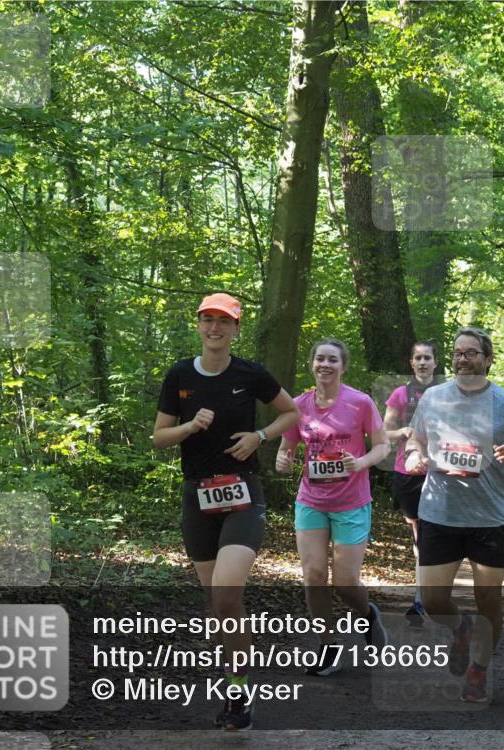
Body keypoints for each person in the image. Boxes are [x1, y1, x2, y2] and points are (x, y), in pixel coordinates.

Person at [153, 293, 301, 731]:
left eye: (224, 321)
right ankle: (236, 682)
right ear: (198, 325)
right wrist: (189, 426)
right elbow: (159, 437)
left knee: (227, 590)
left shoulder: (250, 373)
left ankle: (238, 693)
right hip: (196, 497)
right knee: (217, 602)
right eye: (208, 320)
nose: (215, 328)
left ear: (237, 329)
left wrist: (260, 434)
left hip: (242, 495)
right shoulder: (179, 374)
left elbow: (290, 413)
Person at [404, 327, 504, 703]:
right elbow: (415, 438)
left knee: (489, 601)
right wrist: (415, 455)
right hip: (438, 512)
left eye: (470, 353)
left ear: (487, 359)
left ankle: (479, 669)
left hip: (487, 517)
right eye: (457, 352)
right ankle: (461, 629)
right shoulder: (433, 398)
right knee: (433, 601)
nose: (462, 358)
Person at [276, 339, 390, 676]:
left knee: (344, 581)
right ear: (311, 364)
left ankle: (367, 615)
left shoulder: (360, 403)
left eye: (333, 360)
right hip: (311, 500)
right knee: (313, 576)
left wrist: (361, 462)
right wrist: (284, 459)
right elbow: (288, 447)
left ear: (343, 366)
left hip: (351, 502)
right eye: (320, 359)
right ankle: (327, 646)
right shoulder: (298, 406)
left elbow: (383, 446)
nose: (325, 365)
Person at [383, 341, 442, 626]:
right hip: (407, 474)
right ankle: (425, 594)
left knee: (431, 534)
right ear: (411, 362)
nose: (422, 362)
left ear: (435, 362)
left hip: (439, 472)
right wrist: (403, 431)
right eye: (417, 357)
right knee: (419, 535)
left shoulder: (446, 393)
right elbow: (384, 432)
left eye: (427, 358)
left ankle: (424, 598)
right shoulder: (400, 394)